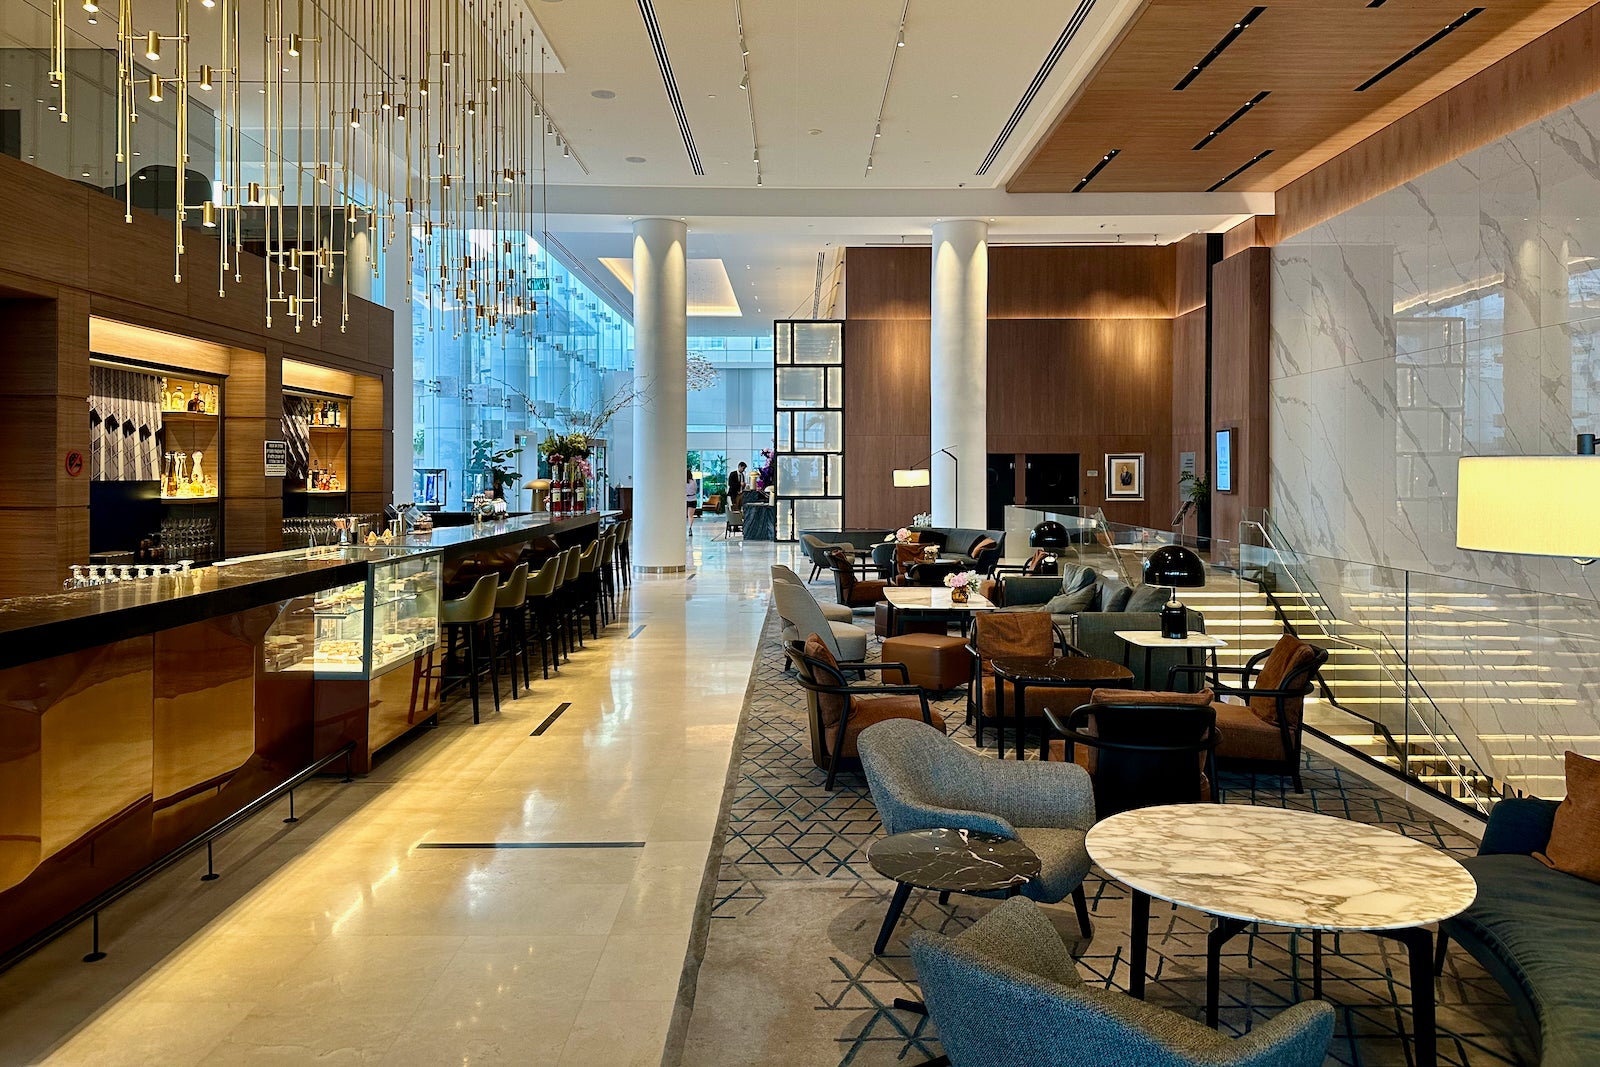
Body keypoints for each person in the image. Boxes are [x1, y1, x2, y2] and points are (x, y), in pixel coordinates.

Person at [686, 469, 697, 536]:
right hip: (693, 499)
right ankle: (690, 527)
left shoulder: (683, 482)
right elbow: (696, 490)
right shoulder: (694, 482)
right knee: (690, 516)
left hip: (685, 499)